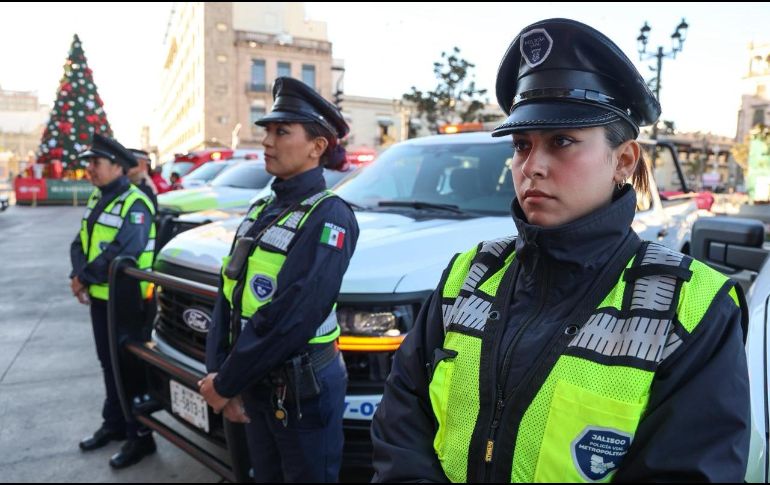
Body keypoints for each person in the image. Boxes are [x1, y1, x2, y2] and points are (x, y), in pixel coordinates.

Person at [371, 18, 750, 483]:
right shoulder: (468, 275)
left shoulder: (692, 308)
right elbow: (402, 417)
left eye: (563, 142)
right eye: (522, 145)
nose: (532, 166)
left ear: (624, 160)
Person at [199, 77, 359, 482]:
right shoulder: (262, 208)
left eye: (282, 131)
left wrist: (229, 379)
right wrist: (222, 378)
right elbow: (229, 295)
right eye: (267, 131)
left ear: (317, 146)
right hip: (253, 382)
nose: (267, 141)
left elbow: (294, 314)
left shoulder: (329, 216)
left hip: (301, 392)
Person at [69, 133, 158, 469]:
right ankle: (116, 424)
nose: (89, 169)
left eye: (95, 163)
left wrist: (84, 277)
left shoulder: (135, 203)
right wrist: (78, 274)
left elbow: (124, 254)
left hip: (128, 302)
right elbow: (80, 242)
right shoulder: (99, 198)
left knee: (129, 370)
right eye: (89, 163)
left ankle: (141, 438)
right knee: (109, 364)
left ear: (118, 167)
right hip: (101, 299)